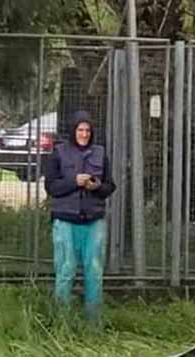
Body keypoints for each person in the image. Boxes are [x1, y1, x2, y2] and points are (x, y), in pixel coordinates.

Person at [43, 110, 116, 322]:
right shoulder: (58, 153)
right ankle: (61, 321)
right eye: (80, 130)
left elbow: (110, 186)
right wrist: (74, 181)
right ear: (73, 131)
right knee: (66, 270)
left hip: (94, 220)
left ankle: (94, 324)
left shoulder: (100, 154)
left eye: (87, 130)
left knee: (94, 272)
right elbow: (51, 187)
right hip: (65, 220)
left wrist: (96, 186)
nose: (84, 134)